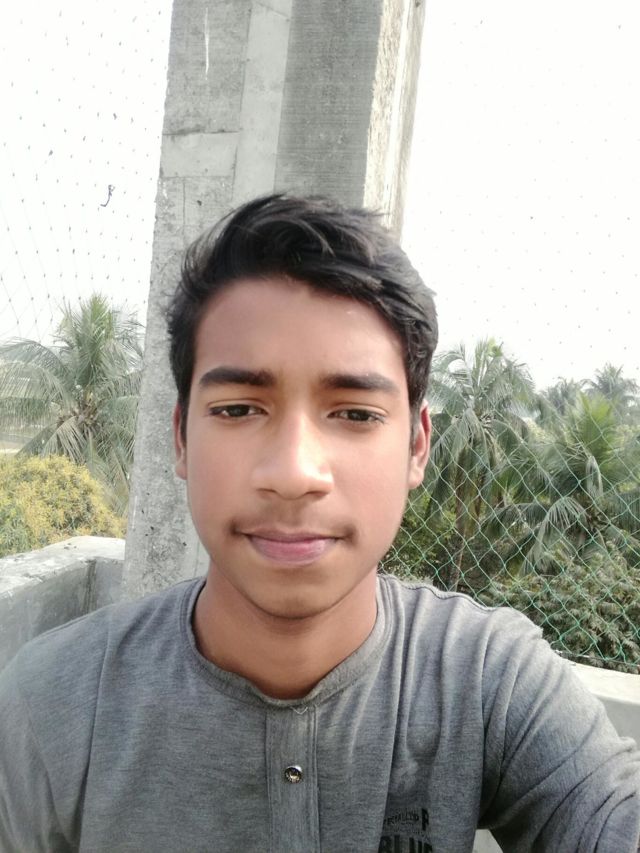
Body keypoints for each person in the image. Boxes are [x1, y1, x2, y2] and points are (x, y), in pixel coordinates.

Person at [0, 195, 638, 853]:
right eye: (239, 408)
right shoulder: (53, 706)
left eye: (355, 414)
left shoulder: (488, 679)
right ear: (181, 438)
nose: (294, 472)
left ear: (417, 445)